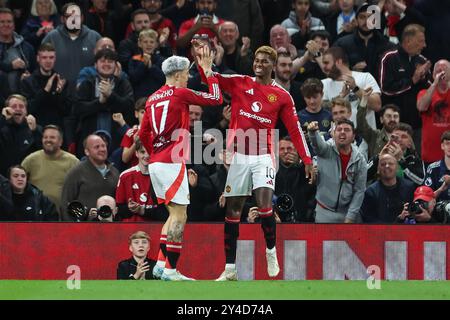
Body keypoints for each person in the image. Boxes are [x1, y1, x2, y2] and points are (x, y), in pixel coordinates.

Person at [200, 46, 313, 281]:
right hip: (239, 156)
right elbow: (213, 79)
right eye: (256, 60)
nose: (259, 64)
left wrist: (307, 159)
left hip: (263, 155)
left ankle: (271, 251)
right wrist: (205, 65)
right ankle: (230, 269)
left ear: (273, 66)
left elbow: (295, 129)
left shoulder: (282, 95)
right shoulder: (240, 82)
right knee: (232, 212)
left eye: (264, 61)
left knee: (263, 205)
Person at [138, 48, 223, 281]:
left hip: (157, 162)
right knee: (180, 215)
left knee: (172, 214)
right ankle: (171, 271)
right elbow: (216, 98)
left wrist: (157, 150)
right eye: (186, 74)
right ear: (177, 76)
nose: (188, 78)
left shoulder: (152, 98)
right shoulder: (180, 93)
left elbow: (144, 133)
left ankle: (160, 265)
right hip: (171, 162)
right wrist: (209, 72)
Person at [379, 24, 432, 151]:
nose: (424, 45)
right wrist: (412, 81)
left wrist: (424, 78)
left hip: (418, 125)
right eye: (421, 41)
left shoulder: (422, 60)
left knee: (416, 161)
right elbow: (386, 88)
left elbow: (430, 90)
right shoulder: (389, 58)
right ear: (408, 41)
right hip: (395, 125)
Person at [74, 48, 134, 158]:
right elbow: (77, 109)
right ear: (95, 65)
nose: (106, 64)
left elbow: (129, 107)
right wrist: (99, 102)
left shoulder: (123, 83)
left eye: (110, 62)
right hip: (89, 138)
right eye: (102, 61)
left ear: (116, 65)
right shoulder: (87, 83)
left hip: (117, 141)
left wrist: (110, 96)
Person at [308, 119, 367, 223]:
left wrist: (350, 217)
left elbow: (359, 190)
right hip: (324, 211)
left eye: (347, 130)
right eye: (339, 129)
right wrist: (312, 133)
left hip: (348, 212)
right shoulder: (326, 150)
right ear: (334, 134)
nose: (342, 132)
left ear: (353, 137)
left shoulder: (360, 160)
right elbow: (317, 145)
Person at [21, 124, 79, 218]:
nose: (48, 140)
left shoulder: (73, 162)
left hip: (64, 218)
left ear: (60, 141)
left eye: (52, 137)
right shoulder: (30, 160)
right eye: (45, 137)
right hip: (35, 218)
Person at [42, 2, 101, 92]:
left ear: (82, 18)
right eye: (68, 16)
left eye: (76, 16)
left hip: (88, 95)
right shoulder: (51, 38)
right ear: (62, 19)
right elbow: (41, 64)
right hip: (58, 95)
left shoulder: (95, 38)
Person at [60, 134, 119, 221]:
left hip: (110, 228)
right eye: (97, 147)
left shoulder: (115, 172)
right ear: (87, 151)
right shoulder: (76, 172)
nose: (102, 149)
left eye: (103, 146)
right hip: (83, 229)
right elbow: (66, 203)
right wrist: (71, 228)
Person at [321, 46, 381, 130]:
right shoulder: (323, 84)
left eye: (326, 63)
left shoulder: (365, 77)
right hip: (339, 139)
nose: (323, 67)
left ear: (339, 62)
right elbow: (321, 111)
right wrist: (340, 96)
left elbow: (377, 106)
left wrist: (356, 88)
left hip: (366, 138)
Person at [334, 2, 395, 78]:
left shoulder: (387, 45)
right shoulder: (342, 44)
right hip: (352, 86)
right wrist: (351, 71)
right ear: (356, 21)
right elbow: (334, 68)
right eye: (362, 17)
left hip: (380, 88)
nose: (367, 21)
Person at [20, 42, 70, 130]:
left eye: (51, 57)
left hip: (57, 130)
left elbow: (67, 111)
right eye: (44, 57)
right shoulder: (28, 82)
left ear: (55, 59)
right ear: (38, 59)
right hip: (36, 129)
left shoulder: (61, 81)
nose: (48, 61)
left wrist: (58, 93)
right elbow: (28, 109)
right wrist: (45, 91)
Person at [116, 139, 168, 222]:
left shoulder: (163, 177)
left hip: (156, 228)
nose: (146, 155)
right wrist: (129, 208)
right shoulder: (125, 176)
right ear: (136, 153)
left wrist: (142, 210)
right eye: (142, 152)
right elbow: (119, 210)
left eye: (149, 152)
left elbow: (166, 213)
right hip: (131, 229)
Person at [360, 153, 415, 223]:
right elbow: (369, 219)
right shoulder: (371, 192)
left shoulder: (409, 187)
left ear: (397, 167)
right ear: (378, 169)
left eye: (391, 164)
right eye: (383, 164)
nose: (387, 166)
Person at [366, 122, 425, 187]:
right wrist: (379, 157)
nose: (399, 139)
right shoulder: (381, 155)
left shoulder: (415, 159)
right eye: (396, 136)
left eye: (404, 137)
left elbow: (420, 181)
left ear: (409, 144)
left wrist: (401, 161)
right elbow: (363, 176)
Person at [275, 136, 316, 222]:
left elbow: (310, 192)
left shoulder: (307, 169)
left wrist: (298, 166)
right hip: (277, 217)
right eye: (282, 149)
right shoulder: (271, 170)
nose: (286, 152)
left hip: (302, 219)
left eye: (289, 148)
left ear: (297, 150)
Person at [417, 60, 450, 165]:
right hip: (430, 154)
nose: (441, 73)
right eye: (438, 70)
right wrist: (435, 83)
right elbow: (422, 107)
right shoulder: (423, 93)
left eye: (445, 69)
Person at [0, 94, 42, 176]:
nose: (18, 109)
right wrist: (2, 118)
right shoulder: (2, 127)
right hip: (3, 178)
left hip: (28, 178)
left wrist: (35, 131)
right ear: (6, 109)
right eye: (14, 106)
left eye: (21, 106)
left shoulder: (35, 129)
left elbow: (43, 152)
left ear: (26, 111)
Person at [0, 7, 35, 92]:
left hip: (21, 100)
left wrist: (29, 78)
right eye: (2, 22)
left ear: (14, 25)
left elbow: (35, 72)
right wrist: (10, 66)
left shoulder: (27, 48)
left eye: (9, 21)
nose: (6, 25)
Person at [128, 29, 165, 99]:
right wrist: (143, 64)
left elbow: (164, 79)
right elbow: (133, 78)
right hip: (139, 98)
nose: (149, 44)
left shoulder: (161, 60)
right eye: (145, 42)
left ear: (156, 44)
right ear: (139, 43)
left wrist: (151, 67)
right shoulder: (134, 59)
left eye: (152, 42)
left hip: (158, 98)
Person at [424, 131, 450, 202]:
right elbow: (426, 198)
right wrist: (441, 189)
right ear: (442, 146)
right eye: (448, 143)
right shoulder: (432, 168)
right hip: (438, 211)